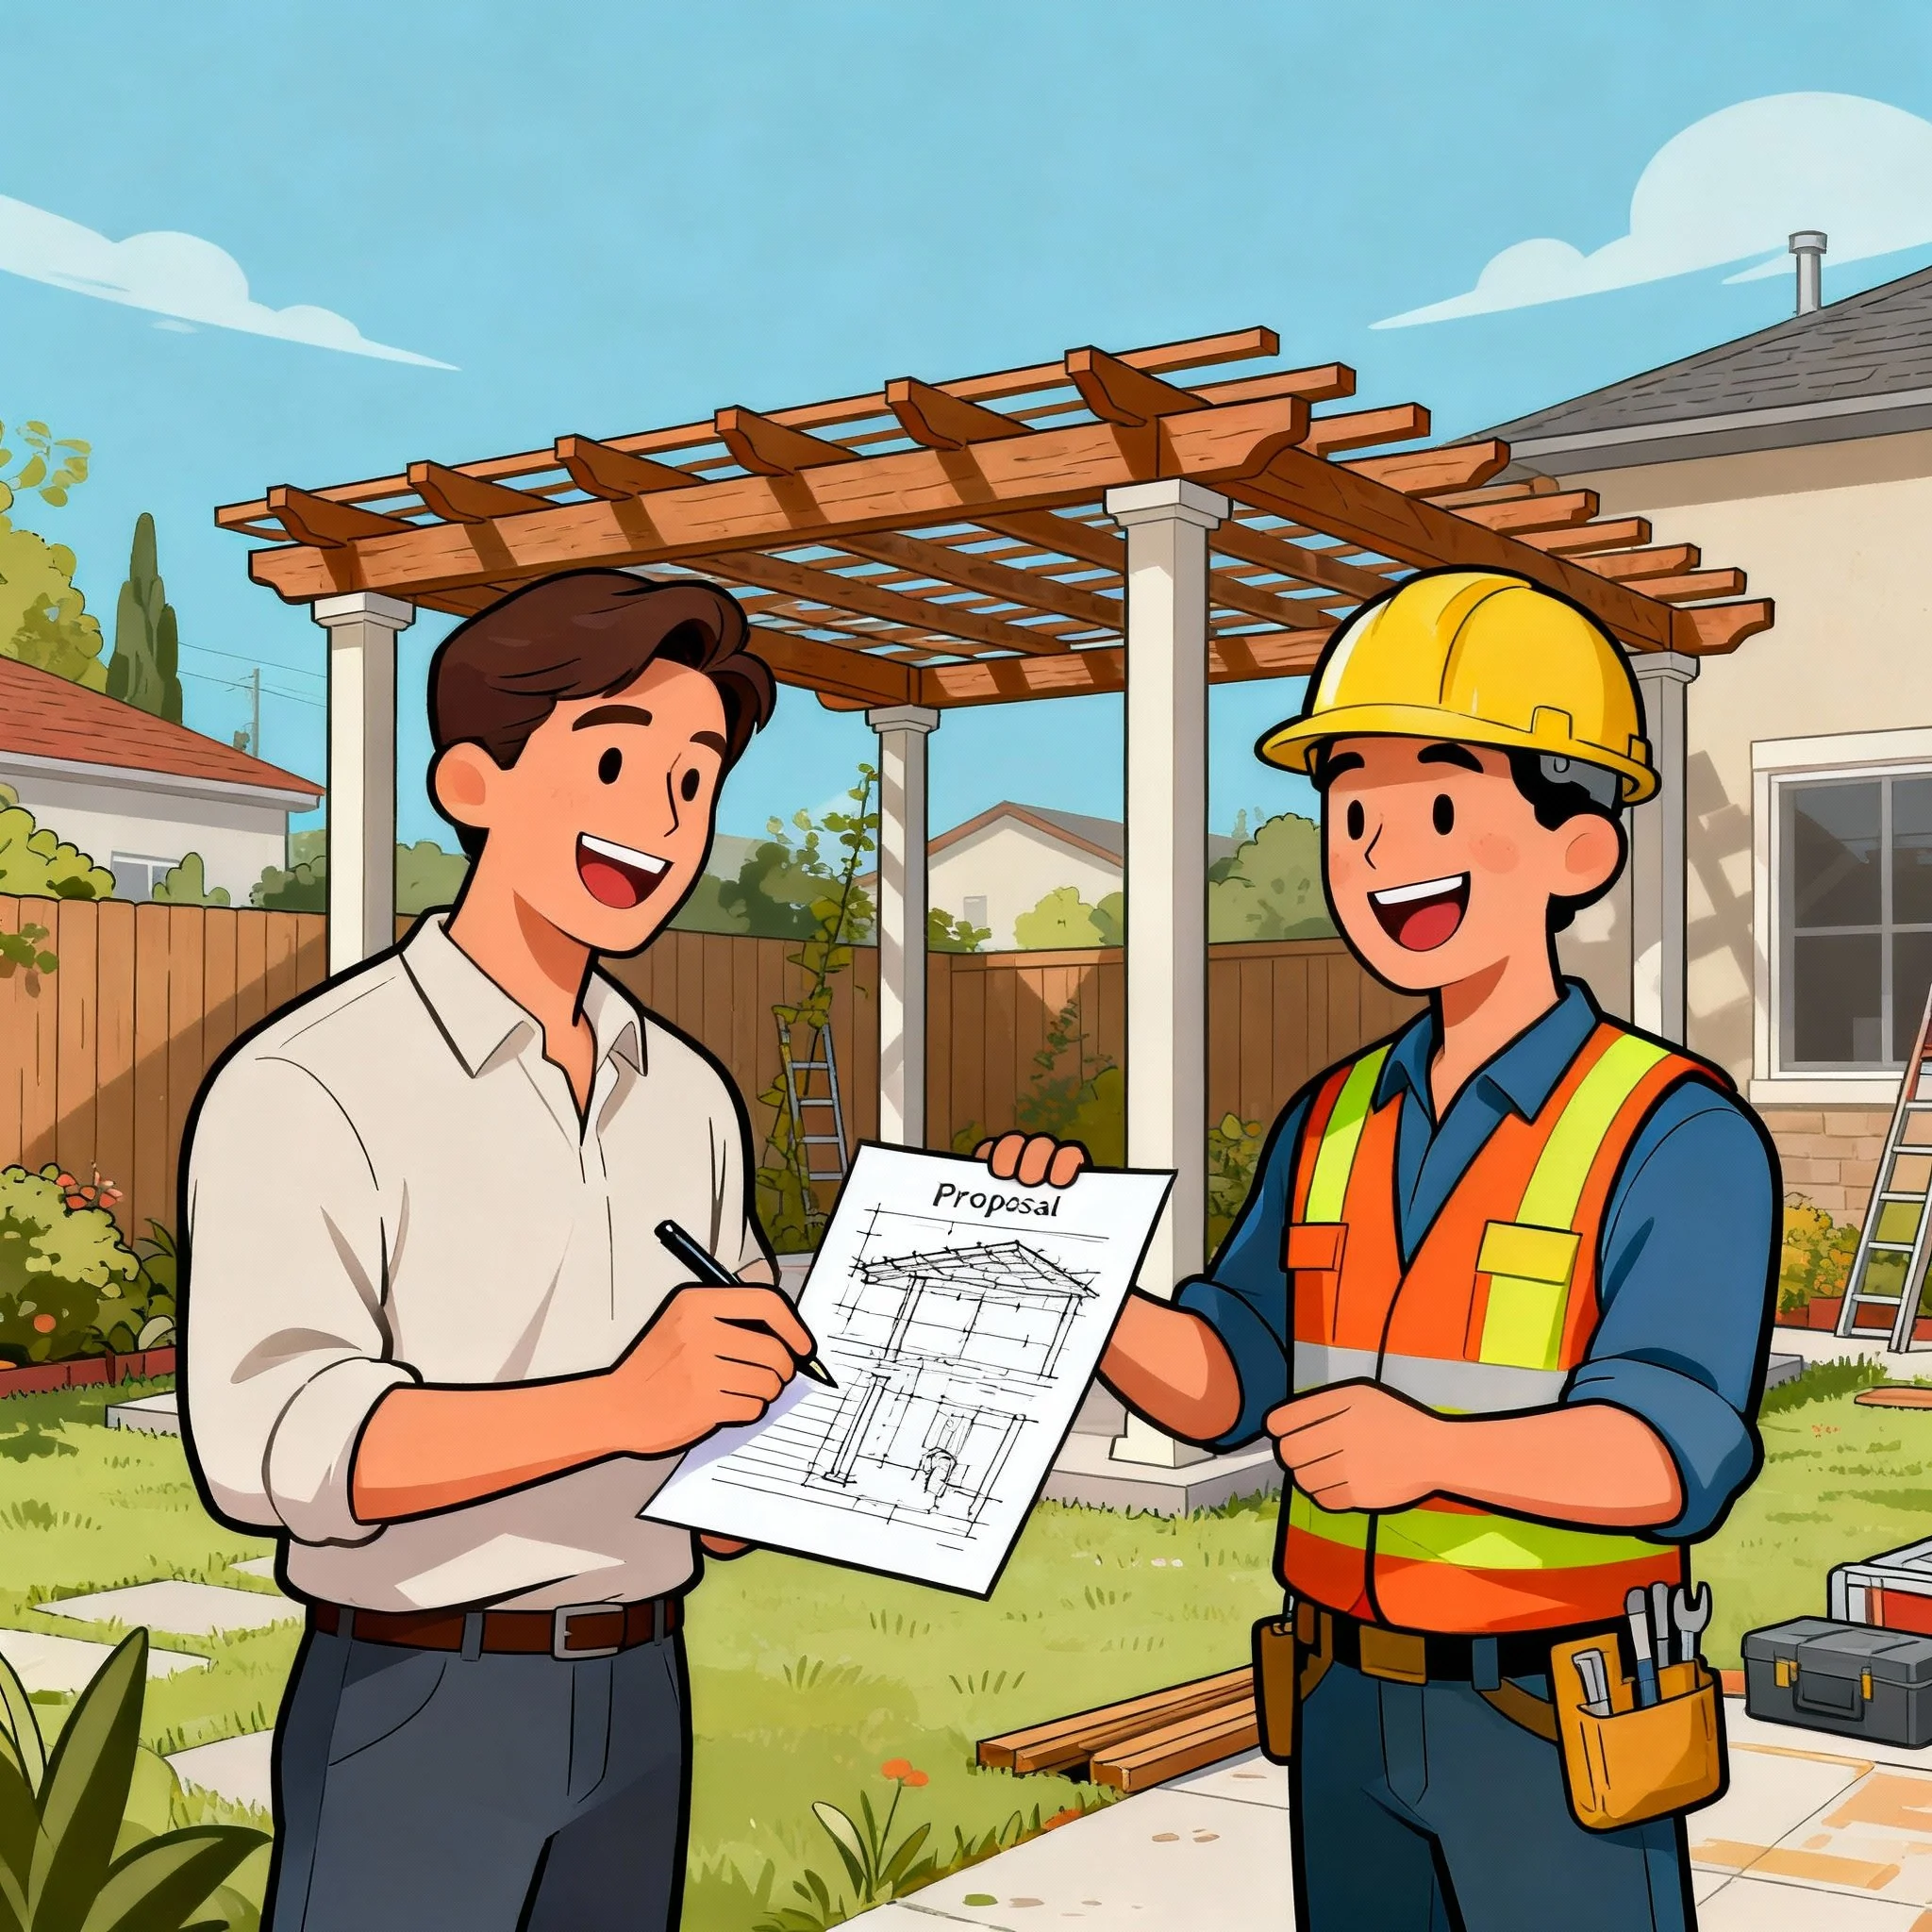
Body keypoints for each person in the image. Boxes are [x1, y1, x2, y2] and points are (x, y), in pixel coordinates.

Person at [983, 569, 1779, 1931]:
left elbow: (1675, 1453)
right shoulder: (1333, 1115)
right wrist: (1082, 1289)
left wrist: (1436, 1453)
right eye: (1354, 812)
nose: (1381, 853)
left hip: (1551, 1714)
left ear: (1579, 850)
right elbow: (1229, 1378)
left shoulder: (1675, 1132)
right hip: (1340, 1702)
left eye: (1443, 806)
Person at [180, 570, 815, 1932]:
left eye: (696, 780)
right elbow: (271, 1452)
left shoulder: (687, 1093)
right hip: (417, 1697)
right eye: (614, 759)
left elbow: (738, 1381)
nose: (664, 815)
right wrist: (621, 1407)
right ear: (472, 783)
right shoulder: (312, 1083)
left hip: (645, 1688)